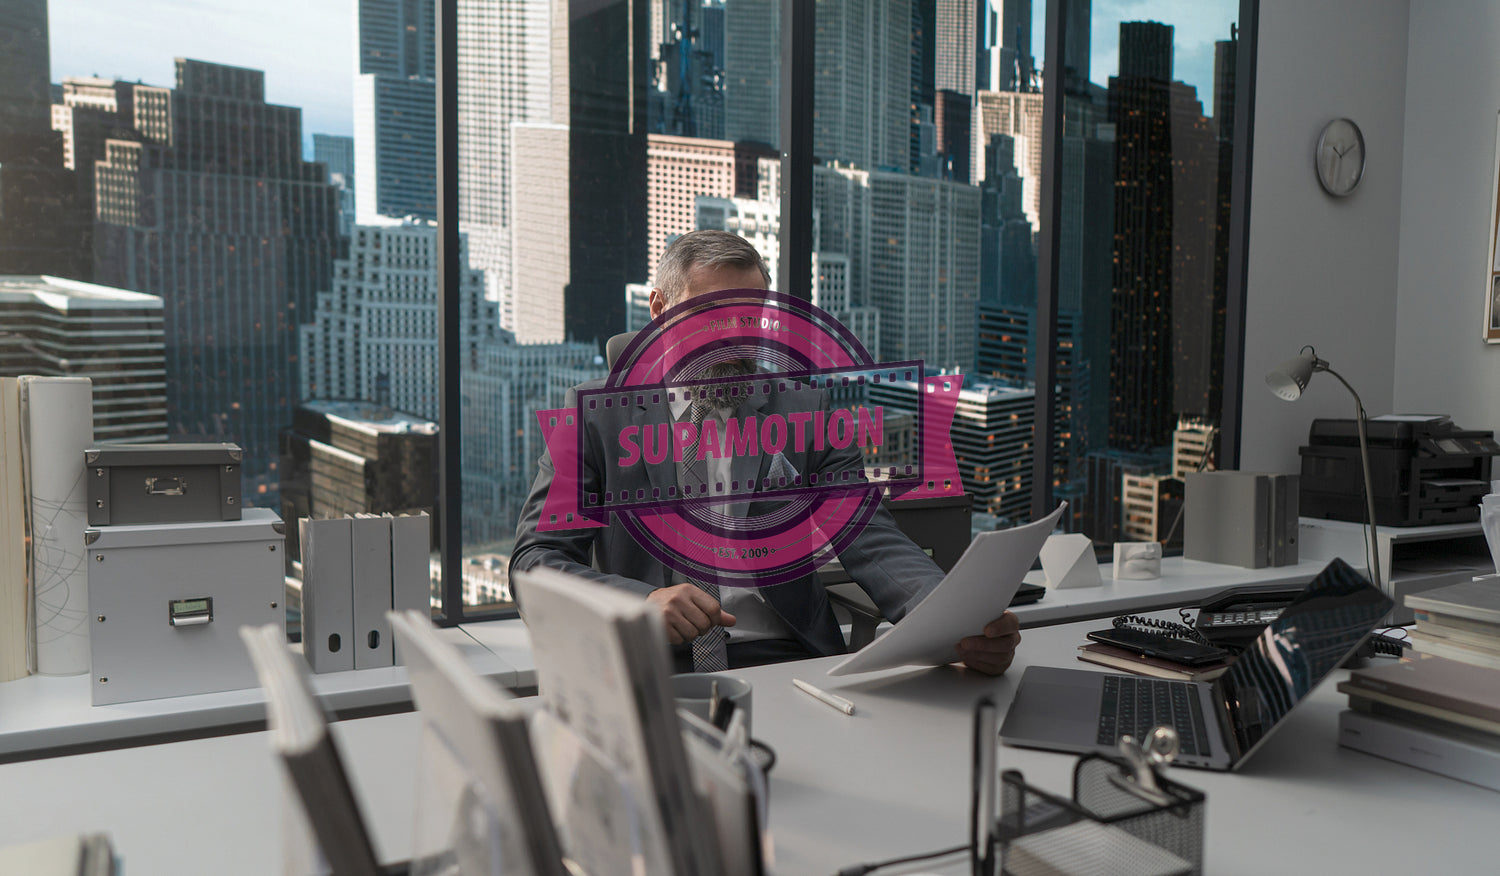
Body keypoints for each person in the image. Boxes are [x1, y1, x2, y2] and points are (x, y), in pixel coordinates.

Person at [511, 230, 1020, 674]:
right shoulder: (593, 414)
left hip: (784, 652)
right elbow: (535, 561)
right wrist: (638, 602)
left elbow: (869, 536)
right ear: (660, 309)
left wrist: (953, 621)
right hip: (646, 659)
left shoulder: (804, 407)